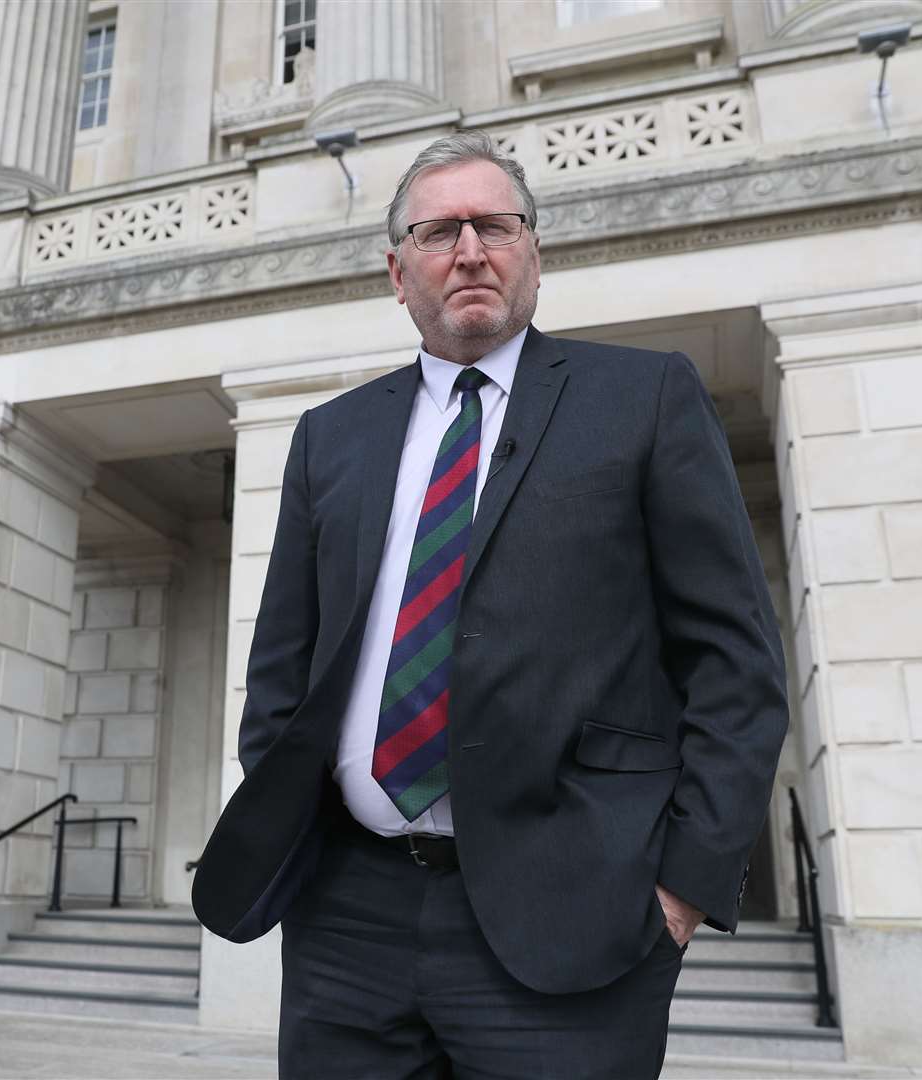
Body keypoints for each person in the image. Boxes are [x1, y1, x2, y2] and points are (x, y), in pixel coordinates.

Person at [192, 130, 789, 1079]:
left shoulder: (644, 398)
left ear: (535, 253)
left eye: (495, 225)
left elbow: (735, 665)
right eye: (439, 232)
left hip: (576, 912)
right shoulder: (329, 438)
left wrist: (683, 885)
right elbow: (283, 673)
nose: (470, 250)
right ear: (398, 272)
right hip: (348, 921)